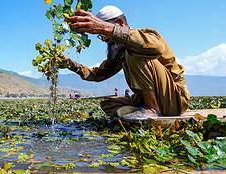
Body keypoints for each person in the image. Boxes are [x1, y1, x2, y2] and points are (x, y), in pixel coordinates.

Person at [62, 5, 190, 121]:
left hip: (174, 100)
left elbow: (157, 48)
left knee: (133, 49)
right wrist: (69, 64)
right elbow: (98, 74)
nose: (104, 40)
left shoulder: (146, 36)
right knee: (108, 104)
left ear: (119, 23)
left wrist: (105, 28)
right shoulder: (120, 51)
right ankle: (142, 108)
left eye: (103, 34)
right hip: (142, 100)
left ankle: (152, 108)